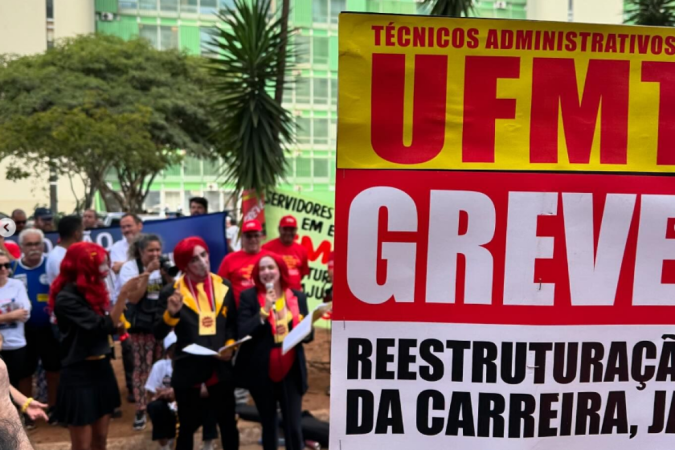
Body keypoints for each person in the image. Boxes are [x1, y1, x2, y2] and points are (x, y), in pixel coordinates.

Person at [50, 242, 141, 450]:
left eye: (105, 264)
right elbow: (102, 327)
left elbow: (106, 326)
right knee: (81, 445)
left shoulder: (92, 292)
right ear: (83, 266)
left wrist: (114, 324)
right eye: (100, 265)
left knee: (100, 439)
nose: (105, 270)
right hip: (77, 374)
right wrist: (124, 294)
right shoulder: (66, 298)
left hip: (102, 369)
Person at [155, 237, 239, 450]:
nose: (202, 261)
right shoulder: (171, 292)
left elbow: (231, 325)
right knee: (186, 427)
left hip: (220, 367)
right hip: (188, 367)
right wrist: (170, 315)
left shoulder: (224, 286)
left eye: (204, 255)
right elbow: (157, 332)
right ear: (184, 265)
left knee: (228, 423)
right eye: (194, 259)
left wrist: (230, 345)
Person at [236, 253, 312, 450]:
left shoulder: (297, 297)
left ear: (280, 270)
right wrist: (264, 311)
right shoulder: (249, 297)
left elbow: (309, 337)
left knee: (293, 426)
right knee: (269, 424)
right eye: (262, 269)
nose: (267, 272)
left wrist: (304, 329)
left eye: (271, 267)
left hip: (291, 370)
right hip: (262, 372)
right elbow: (242, 331)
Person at [118, 234, 167, 431]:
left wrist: (167, 274)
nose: (155, 254)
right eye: (150, 251)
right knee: (142, 368)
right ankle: (141, 408)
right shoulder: (130, 268)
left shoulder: (165, 265)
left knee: (162, 365)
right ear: (141, 251)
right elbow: (134, 298)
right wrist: (147, 272)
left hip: (163, 323)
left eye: (158, 250)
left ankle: (160, 405)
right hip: (141, 325)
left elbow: (173, 290)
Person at [13, 229, 61, 425]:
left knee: (53, 369)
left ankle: (54, 409)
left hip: (49, 328)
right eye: (29, 245)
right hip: (22, 331)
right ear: (21, 247)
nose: (34, 249)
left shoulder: (50, 264)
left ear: (43, 245)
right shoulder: (13, 268)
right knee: (25, 372)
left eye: (37, 244)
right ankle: (27, 413)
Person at [109, 213, 143, 402]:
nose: (126, 230)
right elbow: (115, 268)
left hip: (147, 302)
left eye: (129, 226)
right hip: (125, 304)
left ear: (140, 226)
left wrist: (127, 265)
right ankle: (132, 387)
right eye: (123, 227)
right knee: (128, 347)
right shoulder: (117, 247)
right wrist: (140, 264)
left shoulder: (148, 244)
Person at [218, 219, 270, 305]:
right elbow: (220, 286)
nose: (252, 239)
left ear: (261, 236)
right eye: (248, 236)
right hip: (239, 312)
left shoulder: (271, 258)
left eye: (256, 236)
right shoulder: (229, 260)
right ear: (242, 237)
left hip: (268, 310)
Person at [0, 251, 31, 390]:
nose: (3, 269)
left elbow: (25, 313)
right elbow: (17, 314)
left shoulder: (17, 284)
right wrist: (10, 316)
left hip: (16, 344)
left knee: (16, 383)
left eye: (7, 265)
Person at [146, 332, 178, 450]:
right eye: (173, 348)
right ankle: (164, 446)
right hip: (166, 404)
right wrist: (163, 395)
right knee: (155, 407)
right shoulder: (159, 366)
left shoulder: (189, 365)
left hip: (184, 402)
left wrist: (174, 394)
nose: (176, 351)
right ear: (168, 352)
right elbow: (151, 392)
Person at [262, 216, 310, 291]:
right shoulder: (266, 248)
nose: (288, 232)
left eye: (291, 230)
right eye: (285, 229)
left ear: (296, 230)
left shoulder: (302, 250)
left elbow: (303, 274)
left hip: (295, 294)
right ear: (279, 229)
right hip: (274, 293)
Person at [45, 215, 84, 285]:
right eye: (82, 231)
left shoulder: (69, 253)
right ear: (77, 234)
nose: (83, 234)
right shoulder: (57, 258)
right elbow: (70, 285)